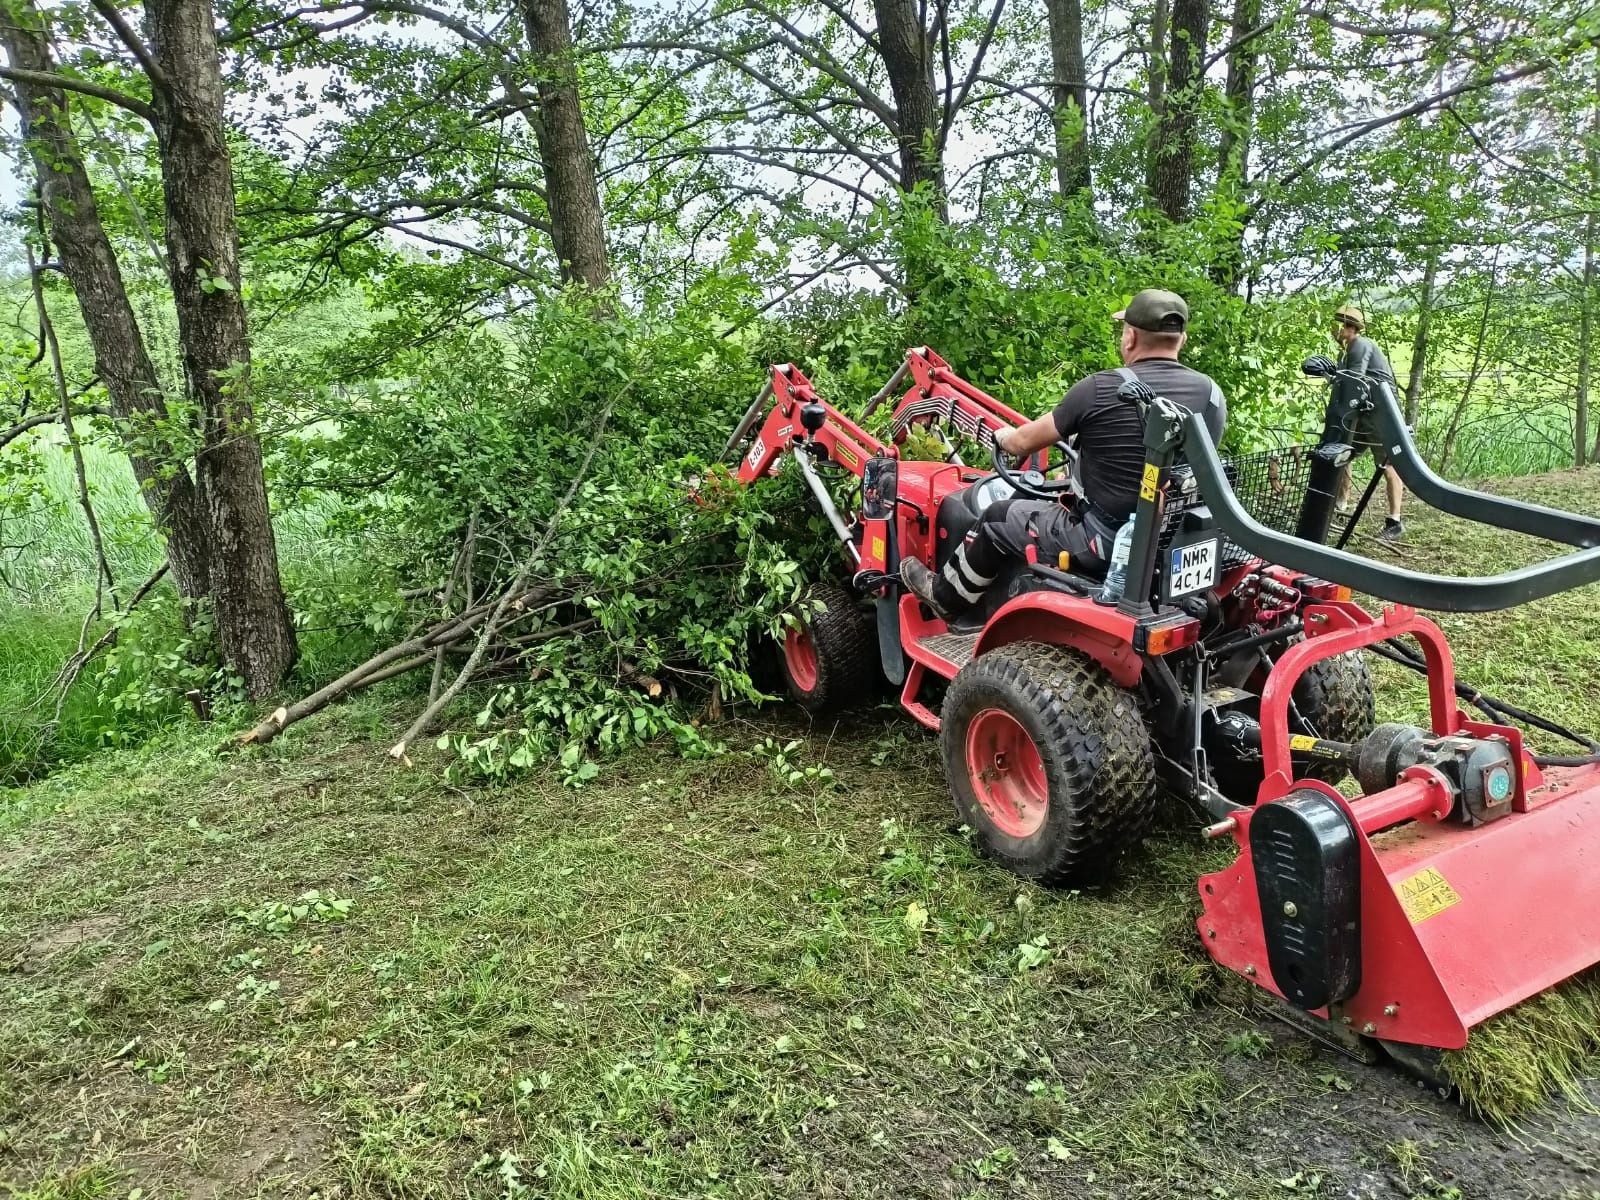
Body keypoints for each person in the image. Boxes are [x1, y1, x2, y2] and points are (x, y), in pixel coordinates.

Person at [900, 289, 1227, 620]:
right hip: (1173, 539)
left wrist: (1003, 437)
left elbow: (1022, 443)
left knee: (997, 516)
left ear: (1130, 337)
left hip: (1104, 541)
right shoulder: (1213, 395)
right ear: (1180, 339)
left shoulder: (1100, 389)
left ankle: (945, 596)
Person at [1324, 304, 1405, 543]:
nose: (1333, 331)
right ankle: (1341, 505)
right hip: (1362, 414)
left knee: (1387, 464)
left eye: (1337, 326)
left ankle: (1395, 521)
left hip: (1379, 414)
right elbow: (1342, 386)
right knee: (1343, 454)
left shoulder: (1360, 345)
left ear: (1348, 328)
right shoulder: (1346, 352)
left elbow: (1354, 383)